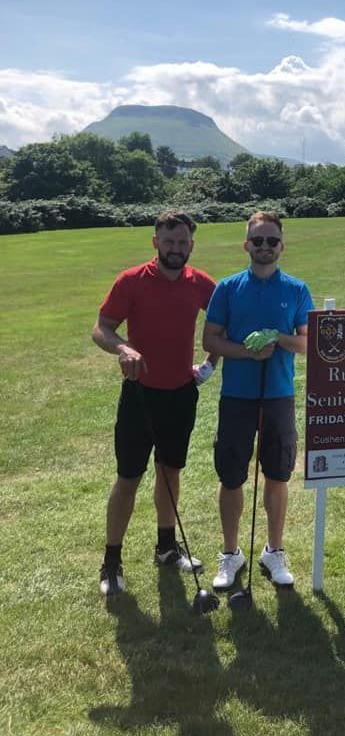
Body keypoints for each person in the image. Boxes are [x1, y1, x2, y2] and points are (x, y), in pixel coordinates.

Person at [92, 210, 217, 596]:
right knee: (129, 477)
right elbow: (102, 328)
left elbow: (223, 324)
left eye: (182, 242)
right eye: (169, 241)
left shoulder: (201, 283)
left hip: (181, 394)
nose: (175, 249)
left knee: (170, 472)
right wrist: (123, 348)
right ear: (155, 242)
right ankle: (111, 561)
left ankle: (166, 547)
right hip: (140, 394)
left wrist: (210, 364)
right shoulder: (131, 281)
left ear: (191, 245)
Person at [203, 211, 313, 589]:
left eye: (272, 241)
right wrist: (247, 352)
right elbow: (210, 339)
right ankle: (231, 553)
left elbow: (308, 342)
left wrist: (278, 338)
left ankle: (274, 551)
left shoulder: (296, 289)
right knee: (231, 475)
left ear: (281, 246)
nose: (265, 246)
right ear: (246, 245)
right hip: (237, 396)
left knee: (278, 474)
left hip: (278, 395)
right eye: (258, 240)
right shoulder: (228, 287)